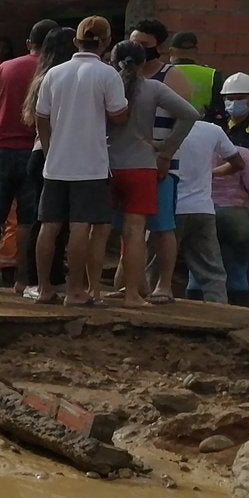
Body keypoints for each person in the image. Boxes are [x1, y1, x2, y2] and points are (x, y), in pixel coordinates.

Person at [31, 17, 127, 308]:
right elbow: (119, 115)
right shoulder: (108, 74)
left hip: (57, 162)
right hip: (90, 163)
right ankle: (75, 291)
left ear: (76, 41)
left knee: (50, 226)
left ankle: (45, 288)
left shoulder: (55, 73)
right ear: (107, 41)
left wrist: (49, 148)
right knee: (79, 227)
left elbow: (41, 116)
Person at [106, 39, 198, 308]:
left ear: (113, 61)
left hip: (107, 166)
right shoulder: (153, 87)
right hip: (142, 165)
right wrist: (166, 148)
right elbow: (190, 114)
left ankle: (91, 290)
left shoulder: (107, 88)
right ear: (144, 62)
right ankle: (134, 293)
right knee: (137, 232)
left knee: (98, 231)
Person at [0, 18, 53, 293]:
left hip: (0, 148)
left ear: (28, 43)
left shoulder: (6, 67)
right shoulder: (51, 70)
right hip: (33, 150)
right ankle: (21, 279)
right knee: (27, 219)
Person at [130, 19, 192, 298]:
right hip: (128, 162)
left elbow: (187, 117)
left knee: (162, 226)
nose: (138, 51)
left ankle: (163, 285)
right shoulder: (125, 75)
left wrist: (166, 153)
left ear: (160, 46)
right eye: (134, 44)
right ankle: (134, 283)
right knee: (130, 227)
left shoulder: (171, 76)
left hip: (159, 163)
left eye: (144, 45)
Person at [169, 114, 238, 303]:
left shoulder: (162, 130)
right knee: (212, 271)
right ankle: (220, 313)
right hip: (203, 209)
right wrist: (210, 173)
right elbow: (238, 163)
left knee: (157, 267)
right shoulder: (212, 130)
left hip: (170, 210)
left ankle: (153, 313)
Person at [207, 93, 249, 304]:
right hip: (238, 215)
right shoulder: (243, 152)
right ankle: (242, 311)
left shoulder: (201, 151)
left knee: (200, 265)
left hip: (204, 213)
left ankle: (197, 309)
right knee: (238, 265)